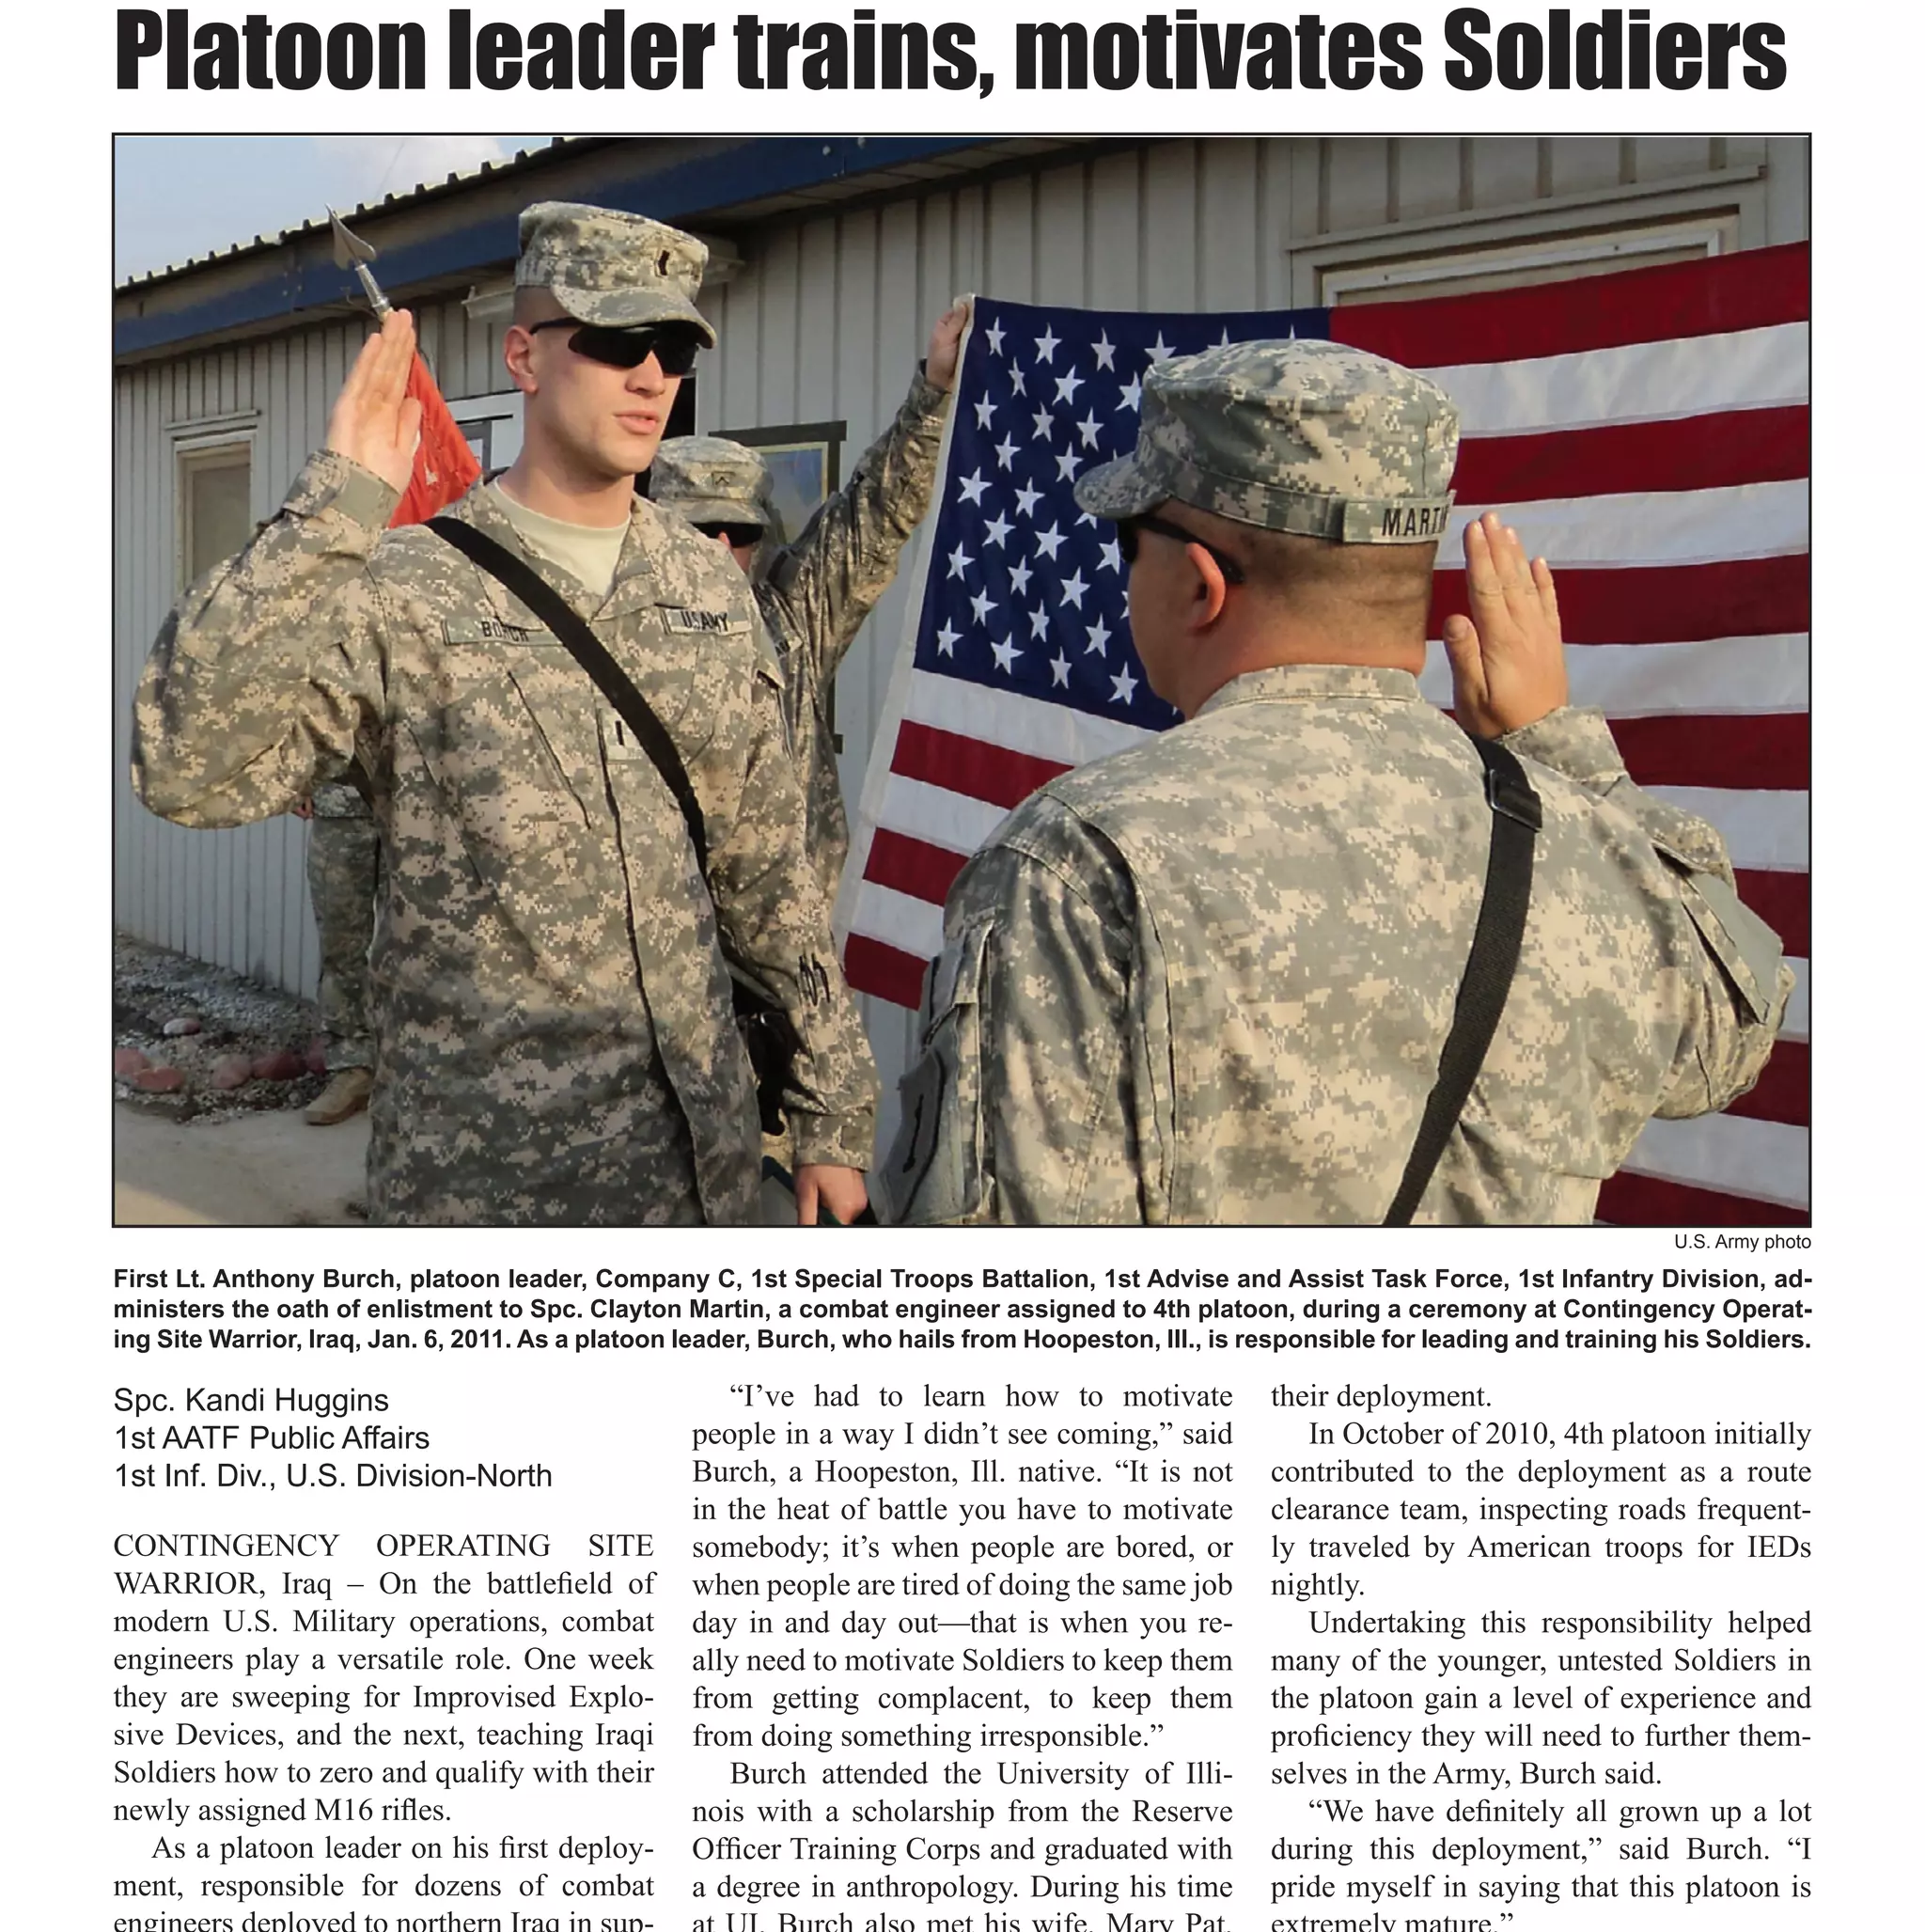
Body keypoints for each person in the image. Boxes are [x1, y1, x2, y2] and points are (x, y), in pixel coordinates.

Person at [876, 338, 1792, 1227]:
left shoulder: (1080, 861)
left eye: (1130, 545)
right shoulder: (1582, 842)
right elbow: (1729, 1031)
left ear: (1201, 583)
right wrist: (1559, 748)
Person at [134, 201, 876, 1226]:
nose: (652, 373)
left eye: (670, 344)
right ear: (524, 356)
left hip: (692, 1170)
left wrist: (830, 1107)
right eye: (617, 339)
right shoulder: (403, 588)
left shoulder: (706, 593)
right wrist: (336, 503)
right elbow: (184, 762)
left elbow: (764, 876)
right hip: (487, 1187)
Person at [649, 299, 967, 904]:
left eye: (739, 533)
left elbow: (875, 512)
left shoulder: (790, 623)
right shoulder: (606, 634)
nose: (720, 546)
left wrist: (934, 390)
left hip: (794, 960)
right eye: (699, 528)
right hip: (668, 964)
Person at [296, 778, 379, 1125]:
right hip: (339, 804)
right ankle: (352, 1068)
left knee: (421, 944)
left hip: (419, 807)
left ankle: (418, 1072)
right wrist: (294, 781)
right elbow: (301, 721)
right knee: (340, 943)